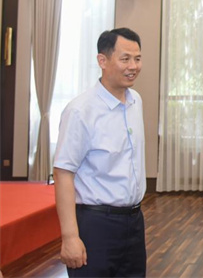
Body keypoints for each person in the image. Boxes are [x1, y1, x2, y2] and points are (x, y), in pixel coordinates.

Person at [53, 28, 146, 277]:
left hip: (134, 221)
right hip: (96, 224)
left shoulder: (135, 101)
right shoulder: (80, 111)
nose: (133, 66)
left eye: (137, 58)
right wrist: (70, 237)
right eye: (125, 59)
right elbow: (63, 173)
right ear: (102, 61)